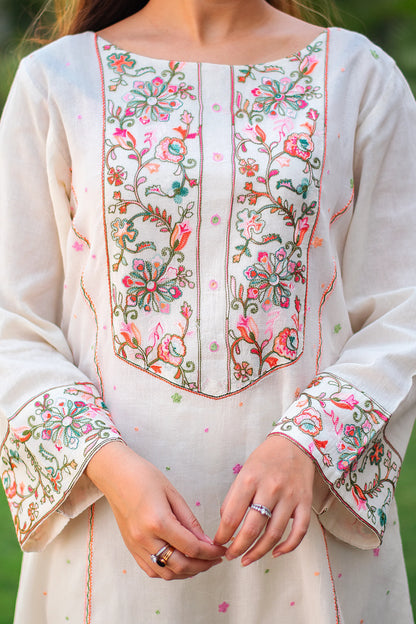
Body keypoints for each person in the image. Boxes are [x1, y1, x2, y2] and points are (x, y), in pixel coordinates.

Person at [0, 0, 415, 621]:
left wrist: (307, 447)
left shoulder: (358, 77)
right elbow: (12, 320)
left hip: (307, 532)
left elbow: (402, 307)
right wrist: (108, 467)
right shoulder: (57, 82)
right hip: (107, 537)